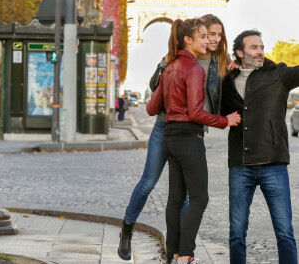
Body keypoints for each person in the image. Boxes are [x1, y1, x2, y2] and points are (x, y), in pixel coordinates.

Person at [118, 14, 234, 262]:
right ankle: (128, 230)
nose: (213, 39)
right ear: (193, 36)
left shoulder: (220, 63)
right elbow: (156, 96)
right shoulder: (177, 59)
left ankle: (177, 251)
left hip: (191, 129)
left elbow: (225, 95)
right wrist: (164, 65)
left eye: (217, 35)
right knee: (150, 183)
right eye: (208, 34)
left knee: (181, 196)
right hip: (167, 126)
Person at [147, 18, 241, 264]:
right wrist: (225, 120)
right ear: (188, 40)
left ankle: (174, 254)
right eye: (202, 36)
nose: (207, 41)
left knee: (175, 199)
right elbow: (196, 112)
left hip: (170, 138)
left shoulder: (169, 68)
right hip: (189, 138)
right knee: (200, 198)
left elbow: (151, 108)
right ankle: (186, 255)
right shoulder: (195, 69)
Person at [221, 29, 299, 264]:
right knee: (236, 233)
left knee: (285, 232)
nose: (260, 51)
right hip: (240, 165)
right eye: (253, 47)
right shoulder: (228, 81)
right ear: (239, 52)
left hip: (273, 163)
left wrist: (269, 62)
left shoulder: (279, 74)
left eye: (261, 47)